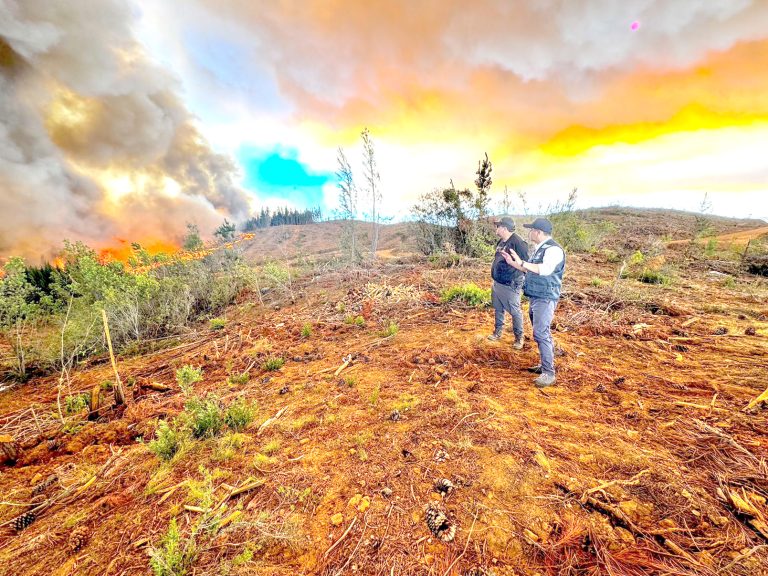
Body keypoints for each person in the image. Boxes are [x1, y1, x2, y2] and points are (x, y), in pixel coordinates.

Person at [501, 217, 565, 388]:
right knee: (541, 333)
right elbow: (529, 269)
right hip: (536, 296)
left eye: (531, 230)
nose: (529, 233)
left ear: (538, 232)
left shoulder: (553, 250)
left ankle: (549, 373)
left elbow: (544, 270)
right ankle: (544, 365)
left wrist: (522, 262)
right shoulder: (540, 249)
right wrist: (513, 262)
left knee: (541, 333)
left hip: (545, 298)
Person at [488, 216, 529, 349]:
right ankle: (498, 332)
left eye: (498, 226)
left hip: (511, 283)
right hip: (498, 282)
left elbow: (526, 266)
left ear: (504, 228)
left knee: (515, 311)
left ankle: (519, 337)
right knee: (498, 308)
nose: (496, 228)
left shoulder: (518, 243)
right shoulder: (501, 241)